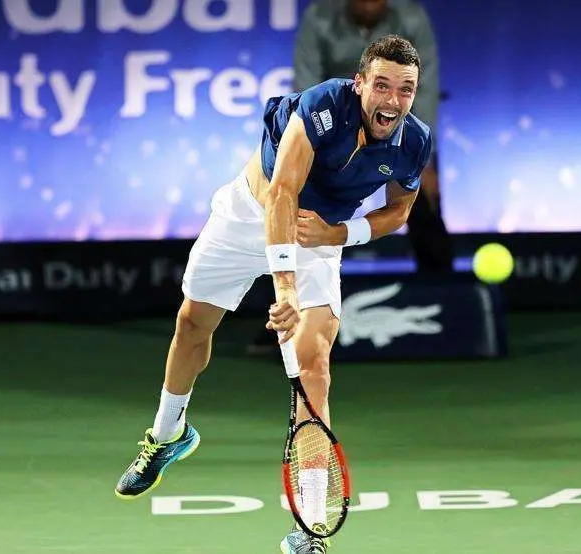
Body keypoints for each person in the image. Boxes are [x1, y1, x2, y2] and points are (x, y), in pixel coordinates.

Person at [113, 34, 433, 554]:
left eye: (405, 90)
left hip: (315, 233)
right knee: (192, 324)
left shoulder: (414, 140)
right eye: (382, 85)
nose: (392, 101)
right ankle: (168, 435)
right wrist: (284, 284)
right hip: (250, 213)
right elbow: (282, 192)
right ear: (360, 84)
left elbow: (399, 212)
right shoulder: (323, 106)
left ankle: (309, 527)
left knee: (313, 369)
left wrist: (338, 235)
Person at [293, 0, 454, 275]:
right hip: (334, 126)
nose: (369, 4)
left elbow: (423, 90)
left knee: (422, 199)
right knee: (300, 195)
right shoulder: (318, 18)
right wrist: (313, 143)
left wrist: (424, 159)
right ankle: (290, 277)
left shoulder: (412, 18)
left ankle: (440, 289)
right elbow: (307, 87)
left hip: (397, 125)